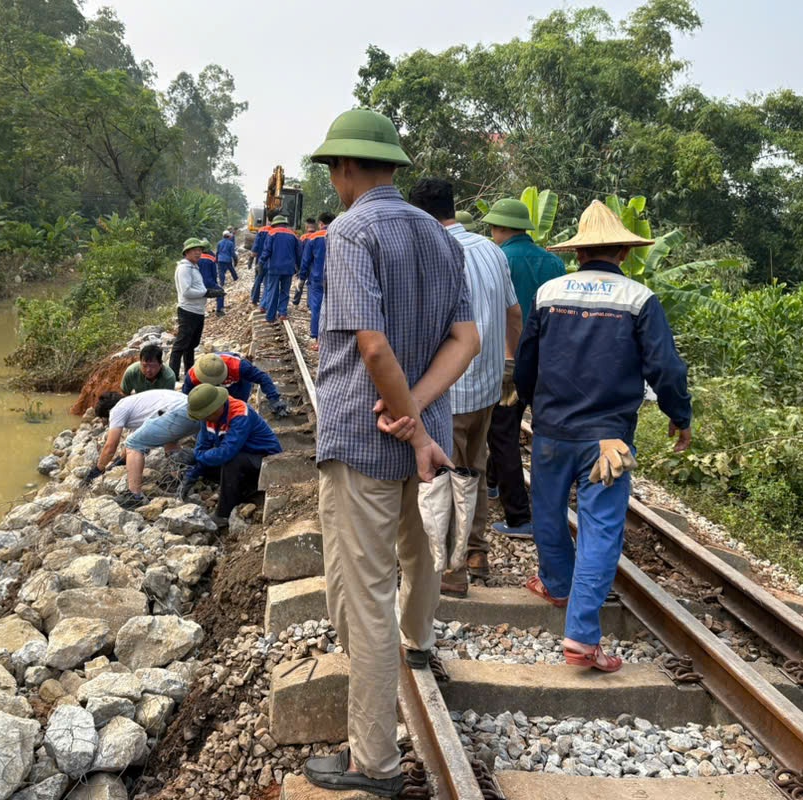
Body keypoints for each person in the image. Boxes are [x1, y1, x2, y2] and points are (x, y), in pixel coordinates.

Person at [301, 109, 479, 798]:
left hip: (362, 433)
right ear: (392, 166)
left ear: (345, 168)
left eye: (334, 172)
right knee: (418, 555)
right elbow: (464, 338)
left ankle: (372, 762)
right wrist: (422, 419)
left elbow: (371, 347)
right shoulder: (440, 240)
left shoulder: (350, 231)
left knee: (368, 595)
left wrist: (402, 417)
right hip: (420, 438)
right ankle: (421, 639)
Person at [514, 200, 692, 673]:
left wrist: (529, 405)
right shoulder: (638, 299)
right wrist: (680, 414)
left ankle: (556, 584)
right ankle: (581, 639)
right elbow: (665, 368)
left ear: (579, 252)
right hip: (608, 440)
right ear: (622, 251)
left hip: (552, 428)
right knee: (600, 532)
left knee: (547, 512)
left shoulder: (549, 293)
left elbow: (527, 358)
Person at [409, 178, 521, 596]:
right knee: (473, 469)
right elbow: (513, 313)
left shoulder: (434, 252)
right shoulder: (492, 250)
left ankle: (452, 574)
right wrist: (508, 362)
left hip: (448, 392)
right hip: (488, 388)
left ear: (421, 214)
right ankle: (477, 554)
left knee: (445, 480)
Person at [480, 198, 567, 539]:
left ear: (498, 228)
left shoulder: (498, 258)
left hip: (508, 361)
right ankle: (491, 482)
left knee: (502, 433)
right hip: (547, 362)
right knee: (519, 429)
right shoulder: (554, 262)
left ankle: (519, 516)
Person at [178, 383, 283, 526]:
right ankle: (244, 492)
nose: (205, 419)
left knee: (231, 461)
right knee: (205, 463)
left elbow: (225, 453)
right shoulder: (208, 418)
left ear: (216, 407)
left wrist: (196, 456)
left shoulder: (240, 414)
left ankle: (223, 515)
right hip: (243, 459)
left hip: (265, 460)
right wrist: (191, 476)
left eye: (207, 415)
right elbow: (202, 448)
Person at [94, 389, 191, 472]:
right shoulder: (134, 405)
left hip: (178, 413)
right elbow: (135, 435)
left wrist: (99, 469)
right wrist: (119, 461)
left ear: (108, 412)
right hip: (194, 409)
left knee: (134, 445)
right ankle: (178, 474)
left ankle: (134, 491)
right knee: (170, 442)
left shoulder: (117, 409)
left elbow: (111, 445)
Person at [181, 351, 290, 416]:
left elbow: (262, 378)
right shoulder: (192, 377)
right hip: (209, 391)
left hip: (238, 385)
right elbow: (186, 399)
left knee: (237, 408)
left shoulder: (239, 367)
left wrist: (274, 399)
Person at [170, 238, 220, 377]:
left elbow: (196, 288)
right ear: (187, 252)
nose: (198, 253)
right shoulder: (184, 268)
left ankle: (189, 372)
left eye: (199, 250)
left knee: (191, 344)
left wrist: (208, 292)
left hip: (197, 310)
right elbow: (186, 292)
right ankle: (173, 375)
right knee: (181, 345)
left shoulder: (193, 266)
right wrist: (206, 292)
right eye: (195, 251)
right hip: (188, 311)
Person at [260, 214, 302, 323]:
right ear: (285, 224)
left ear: (275, 224)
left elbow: (267, 251)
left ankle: (270, 316)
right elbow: (299, 253)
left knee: (272, 291)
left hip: (274, 268)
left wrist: (261, 262)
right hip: (288, 269)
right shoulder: (293, 235)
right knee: (285, 291)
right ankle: (282, 313)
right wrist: (299, 267)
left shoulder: (272, 233)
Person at [305, 212, 333, 350]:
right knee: (334, 308)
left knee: (316, 308)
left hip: (317, 278)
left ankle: (317, 340)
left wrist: (302, 277)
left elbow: (306, 259)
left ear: (320, 223)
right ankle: (332, 340)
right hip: (336, 279)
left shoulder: (314, 237)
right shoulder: (339, 233)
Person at [293, 218, 319, 306]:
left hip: (303, 263)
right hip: (314, 265)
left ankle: (296, 300)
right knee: (311, 284)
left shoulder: (303, 237)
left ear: (306, 226)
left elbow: (299, 252)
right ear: (315, 226)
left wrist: (298, 266)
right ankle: (309, 303)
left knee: (300, 282)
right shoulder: (318, 236)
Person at [198, 242, 225, 317]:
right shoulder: (211, 258)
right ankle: (219, 311)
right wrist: (215, 283)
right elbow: (214, 273)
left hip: (198, 282)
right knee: (220, 292)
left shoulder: (196, 258)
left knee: (199, 297)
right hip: (209, 281)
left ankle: (199, 313)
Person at [250, 220, 272, 307]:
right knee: (268, 282)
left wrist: (251, 257)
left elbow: (255, 246)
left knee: (258, 279)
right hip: (270, 261)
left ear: (267, 219)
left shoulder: (262, 230)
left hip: (260, 260)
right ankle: (265, 303)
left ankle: (254, 299)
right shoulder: (275, 230)